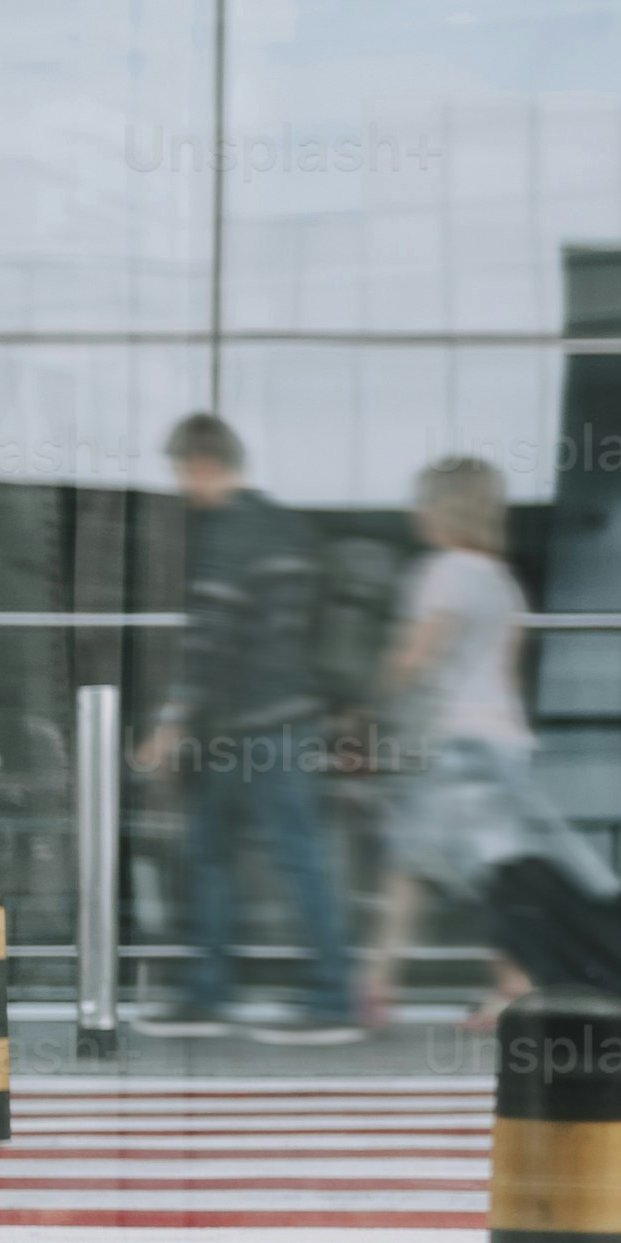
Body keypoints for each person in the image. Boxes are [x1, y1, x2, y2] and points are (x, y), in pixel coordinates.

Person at [135, 413, 350, 1034]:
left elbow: (210, 640)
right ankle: (236, 990)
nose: (180, 486)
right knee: (285, 856)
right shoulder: (287, 527)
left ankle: (271, 995)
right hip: (292, 714)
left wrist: (173, 721)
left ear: (201, 464)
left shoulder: (228, 535)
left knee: (221, 856)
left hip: (249, 724)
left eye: (180, 471)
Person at [363, 454, 593, 1029]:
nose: (416, 511)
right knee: (430, 862)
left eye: (423, 500)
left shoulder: (443, 571)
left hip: (454, 742)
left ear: (444, 508)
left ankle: (503, 985)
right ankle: (376, 982)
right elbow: (510, 672)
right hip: (501, 736)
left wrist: (371, 705)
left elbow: (415, 657)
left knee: (449, 868)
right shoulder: (503, 582)